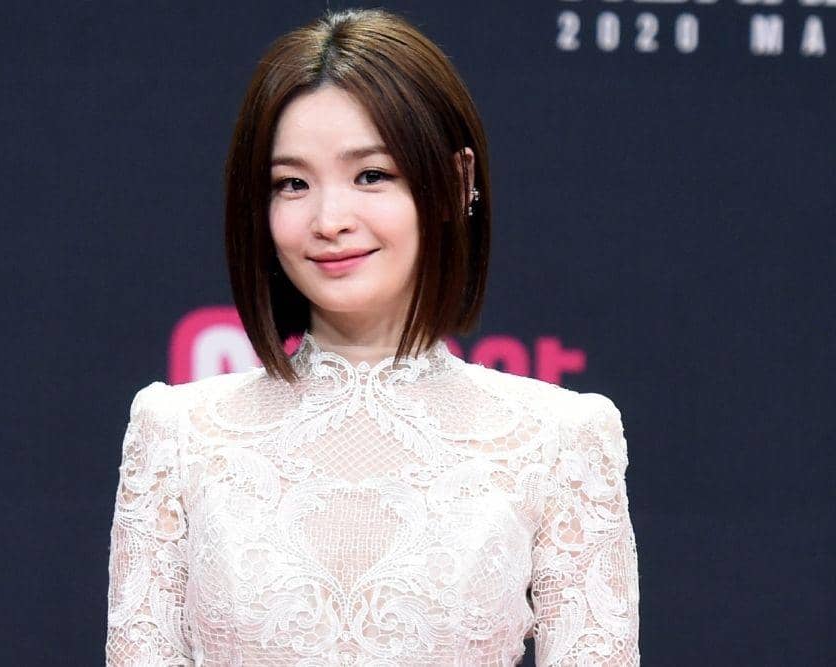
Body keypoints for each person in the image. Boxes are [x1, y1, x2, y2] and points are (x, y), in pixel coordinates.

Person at [105, 8, 640, 666]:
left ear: (457, 182)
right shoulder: (175, 434)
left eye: (371, 176)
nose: (330, 219)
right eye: (292, 184)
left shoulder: (559, 440)